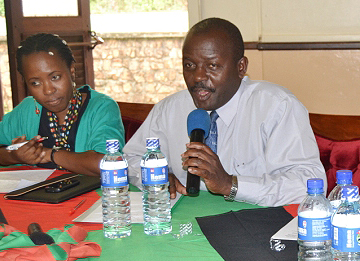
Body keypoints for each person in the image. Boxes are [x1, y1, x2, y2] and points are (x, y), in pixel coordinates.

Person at [123, 18, 325, 207]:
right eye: (189, 65)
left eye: (212, 66)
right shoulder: (169, 109)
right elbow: (131, 158)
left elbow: (307, 183)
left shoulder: (277, 106)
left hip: (255, 227)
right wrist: (155, 174)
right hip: (183, 225)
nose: (198, 77)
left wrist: (230, 184)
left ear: (240, 67)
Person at [0, 33, 125, 176]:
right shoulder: (28, 109)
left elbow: (109, 164)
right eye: (35, 83)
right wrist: (13, 156)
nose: (48, 90)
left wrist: (49, 154)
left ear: (71, 71)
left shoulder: (101, 108)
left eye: (55, 77)